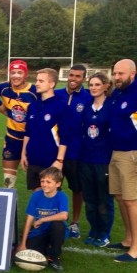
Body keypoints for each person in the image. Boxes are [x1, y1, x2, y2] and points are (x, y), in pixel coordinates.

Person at [54, 64, 92, 239]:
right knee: (53, 186)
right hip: (54, 150)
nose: (73, 79)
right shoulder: (57, 94)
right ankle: (53, 220)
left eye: (78, 76)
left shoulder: (88, 97)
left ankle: (75, 222)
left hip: (76, 151)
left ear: (83, 78)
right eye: (71, 75)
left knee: (77, 188)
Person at [0, 60, 37, 188]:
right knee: (8, 182)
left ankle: (39, 207)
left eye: (20, 72)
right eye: (13, 72)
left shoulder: (35, 91)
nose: (16, 75)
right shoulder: (5, 88)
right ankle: (11, 207)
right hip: (12, 139)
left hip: (32, 140)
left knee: (36, 181)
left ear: (25, 75)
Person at [107, 59, 137, 263]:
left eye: (121, 74)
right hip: (115, 152)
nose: (117, 77)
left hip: (131, 153)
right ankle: (128, 239)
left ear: (132, 74)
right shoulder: (118, 93)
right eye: (115, 73)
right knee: (119, 196)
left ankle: (136, 249)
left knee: (132, 200)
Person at [79, 72, 114, 248]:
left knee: (103, 198)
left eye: (97, 84)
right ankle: (93, 230)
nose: (93, 87)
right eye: (91, 84)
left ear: (106, 86)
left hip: (103, 159)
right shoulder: (86, 106)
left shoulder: (111, 106)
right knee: (90, 198)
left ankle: (104, 233)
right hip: (86, 158)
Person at [21, 68, 69, 191]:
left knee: (50, 197)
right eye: (37, 80)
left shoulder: (61, 106)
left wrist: (59, 160)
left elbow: (65, 136)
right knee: (36, 195)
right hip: (33, 159)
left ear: (52, 84)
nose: (37, 83)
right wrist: (23, 153)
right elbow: (28, 132)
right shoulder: (33, 106)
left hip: (50, 161)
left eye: (41, 81)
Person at [17, 167, 69, 272]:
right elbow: (29, 219)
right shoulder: (36, 195)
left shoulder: (61, 196)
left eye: (48, 182)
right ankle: (47, 248)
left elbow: (64, 215)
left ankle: (54, 257)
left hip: (55, 231)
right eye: (42, 181)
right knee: (28, 251)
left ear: (58, 184)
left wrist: (42, 220)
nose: (44, 184)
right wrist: (23, 243)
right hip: (39, 231)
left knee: (57, 225)